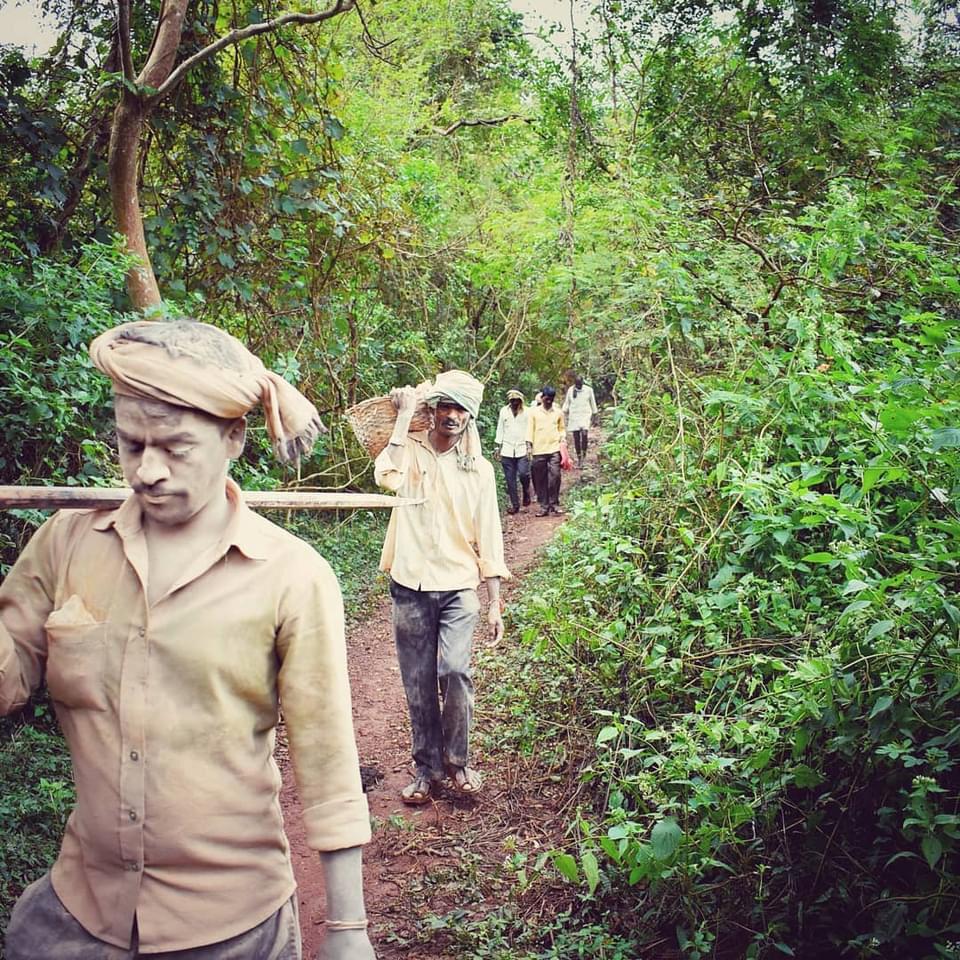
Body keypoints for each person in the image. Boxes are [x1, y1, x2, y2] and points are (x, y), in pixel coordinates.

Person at [0, 320, 375, 960]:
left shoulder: (291, 576)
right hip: (78, 914)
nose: (147, 470)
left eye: (175, 447)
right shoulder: (66, 545)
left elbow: (329, 764)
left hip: (231, 926)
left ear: (233, 437)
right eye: (130, 443)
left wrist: (347, 931)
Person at [374, 371, 509, 806]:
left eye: (460, 409)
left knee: (453, 671)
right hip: (409, 582)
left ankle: (459, 761)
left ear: (470, 417)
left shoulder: (479, 469)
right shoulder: (409, 451)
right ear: (432, 409)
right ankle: (426, 768)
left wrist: (494, 602)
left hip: (457, 586)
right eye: (444, 406)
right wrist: (402, 419)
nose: (451, 415)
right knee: (417, 681)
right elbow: (385, 477)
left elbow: (489, 533)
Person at [526, 385, 565, 517]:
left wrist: (562, 439)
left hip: (554, 448)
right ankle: (544, 506)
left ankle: (554, 503)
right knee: (539, 479)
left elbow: (561, 428)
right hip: (538, 449)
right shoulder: (533, 412)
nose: (549, 402)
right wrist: (529, 446)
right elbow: (529, 429)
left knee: (555, 475)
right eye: (547, 399)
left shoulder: (558, 412)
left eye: (551, 399)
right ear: (542, 398)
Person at [494, 389, 531, 514]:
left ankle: (526, 490)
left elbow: (530, 429)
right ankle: (515, 505)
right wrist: (497, 447)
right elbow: (500, 428)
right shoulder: (504, 411)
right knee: (510, 479)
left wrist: (530, 445)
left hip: (522, 448)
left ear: (521, 401)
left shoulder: (527, 412)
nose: (514, 403)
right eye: (512, 400)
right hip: (507, 449)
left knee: (523, 474)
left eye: (516, 400)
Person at [562, 374, 598, 468]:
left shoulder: (588, 390)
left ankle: (584, 455)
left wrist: (595, 414)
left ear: (583, 382)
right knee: (576, 438)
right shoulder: (571, 390)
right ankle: (579, 458)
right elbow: (567, 403)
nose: (579, 386)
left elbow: (592, 403)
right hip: (574, 416)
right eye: (577, 385)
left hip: (585, 415)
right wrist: (562, 412)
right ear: (575, 384)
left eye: (580, 384)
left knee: (585, 435)